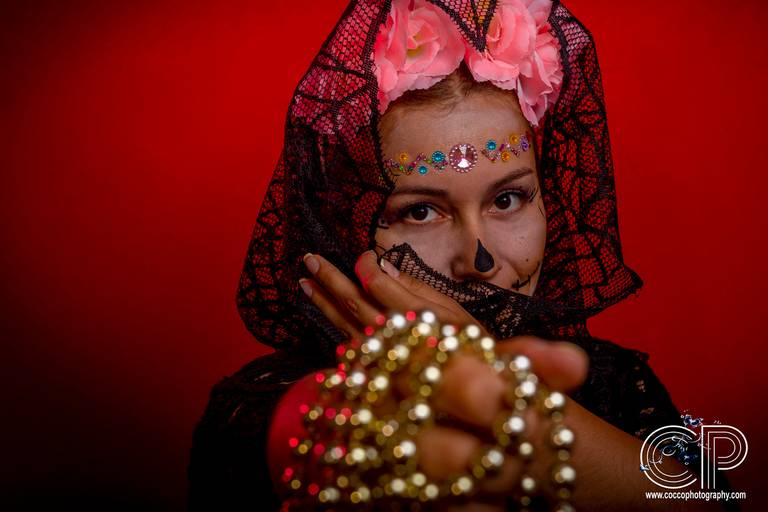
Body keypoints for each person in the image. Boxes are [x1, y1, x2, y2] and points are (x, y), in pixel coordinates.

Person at [187, 1, 737, 510]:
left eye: (507, 199)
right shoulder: (266, 412)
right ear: (345, 226)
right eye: (421, 212)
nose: (478, 260)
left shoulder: (615, 384)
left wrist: (535, 420)